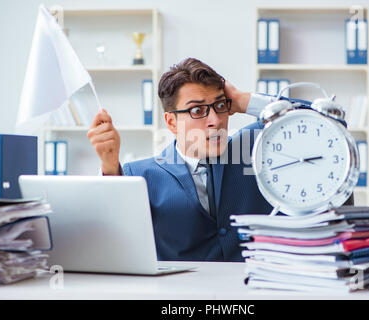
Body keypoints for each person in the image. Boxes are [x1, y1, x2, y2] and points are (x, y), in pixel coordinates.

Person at [87, 57, 351, 261]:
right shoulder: (138, 174)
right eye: (198, 110)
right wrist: (110, 167)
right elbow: (114, 245)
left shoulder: (256, 147)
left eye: (219, 106)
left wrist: (243, 101)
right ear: (171, 122)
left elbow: (329, 122)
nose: (215, 121)